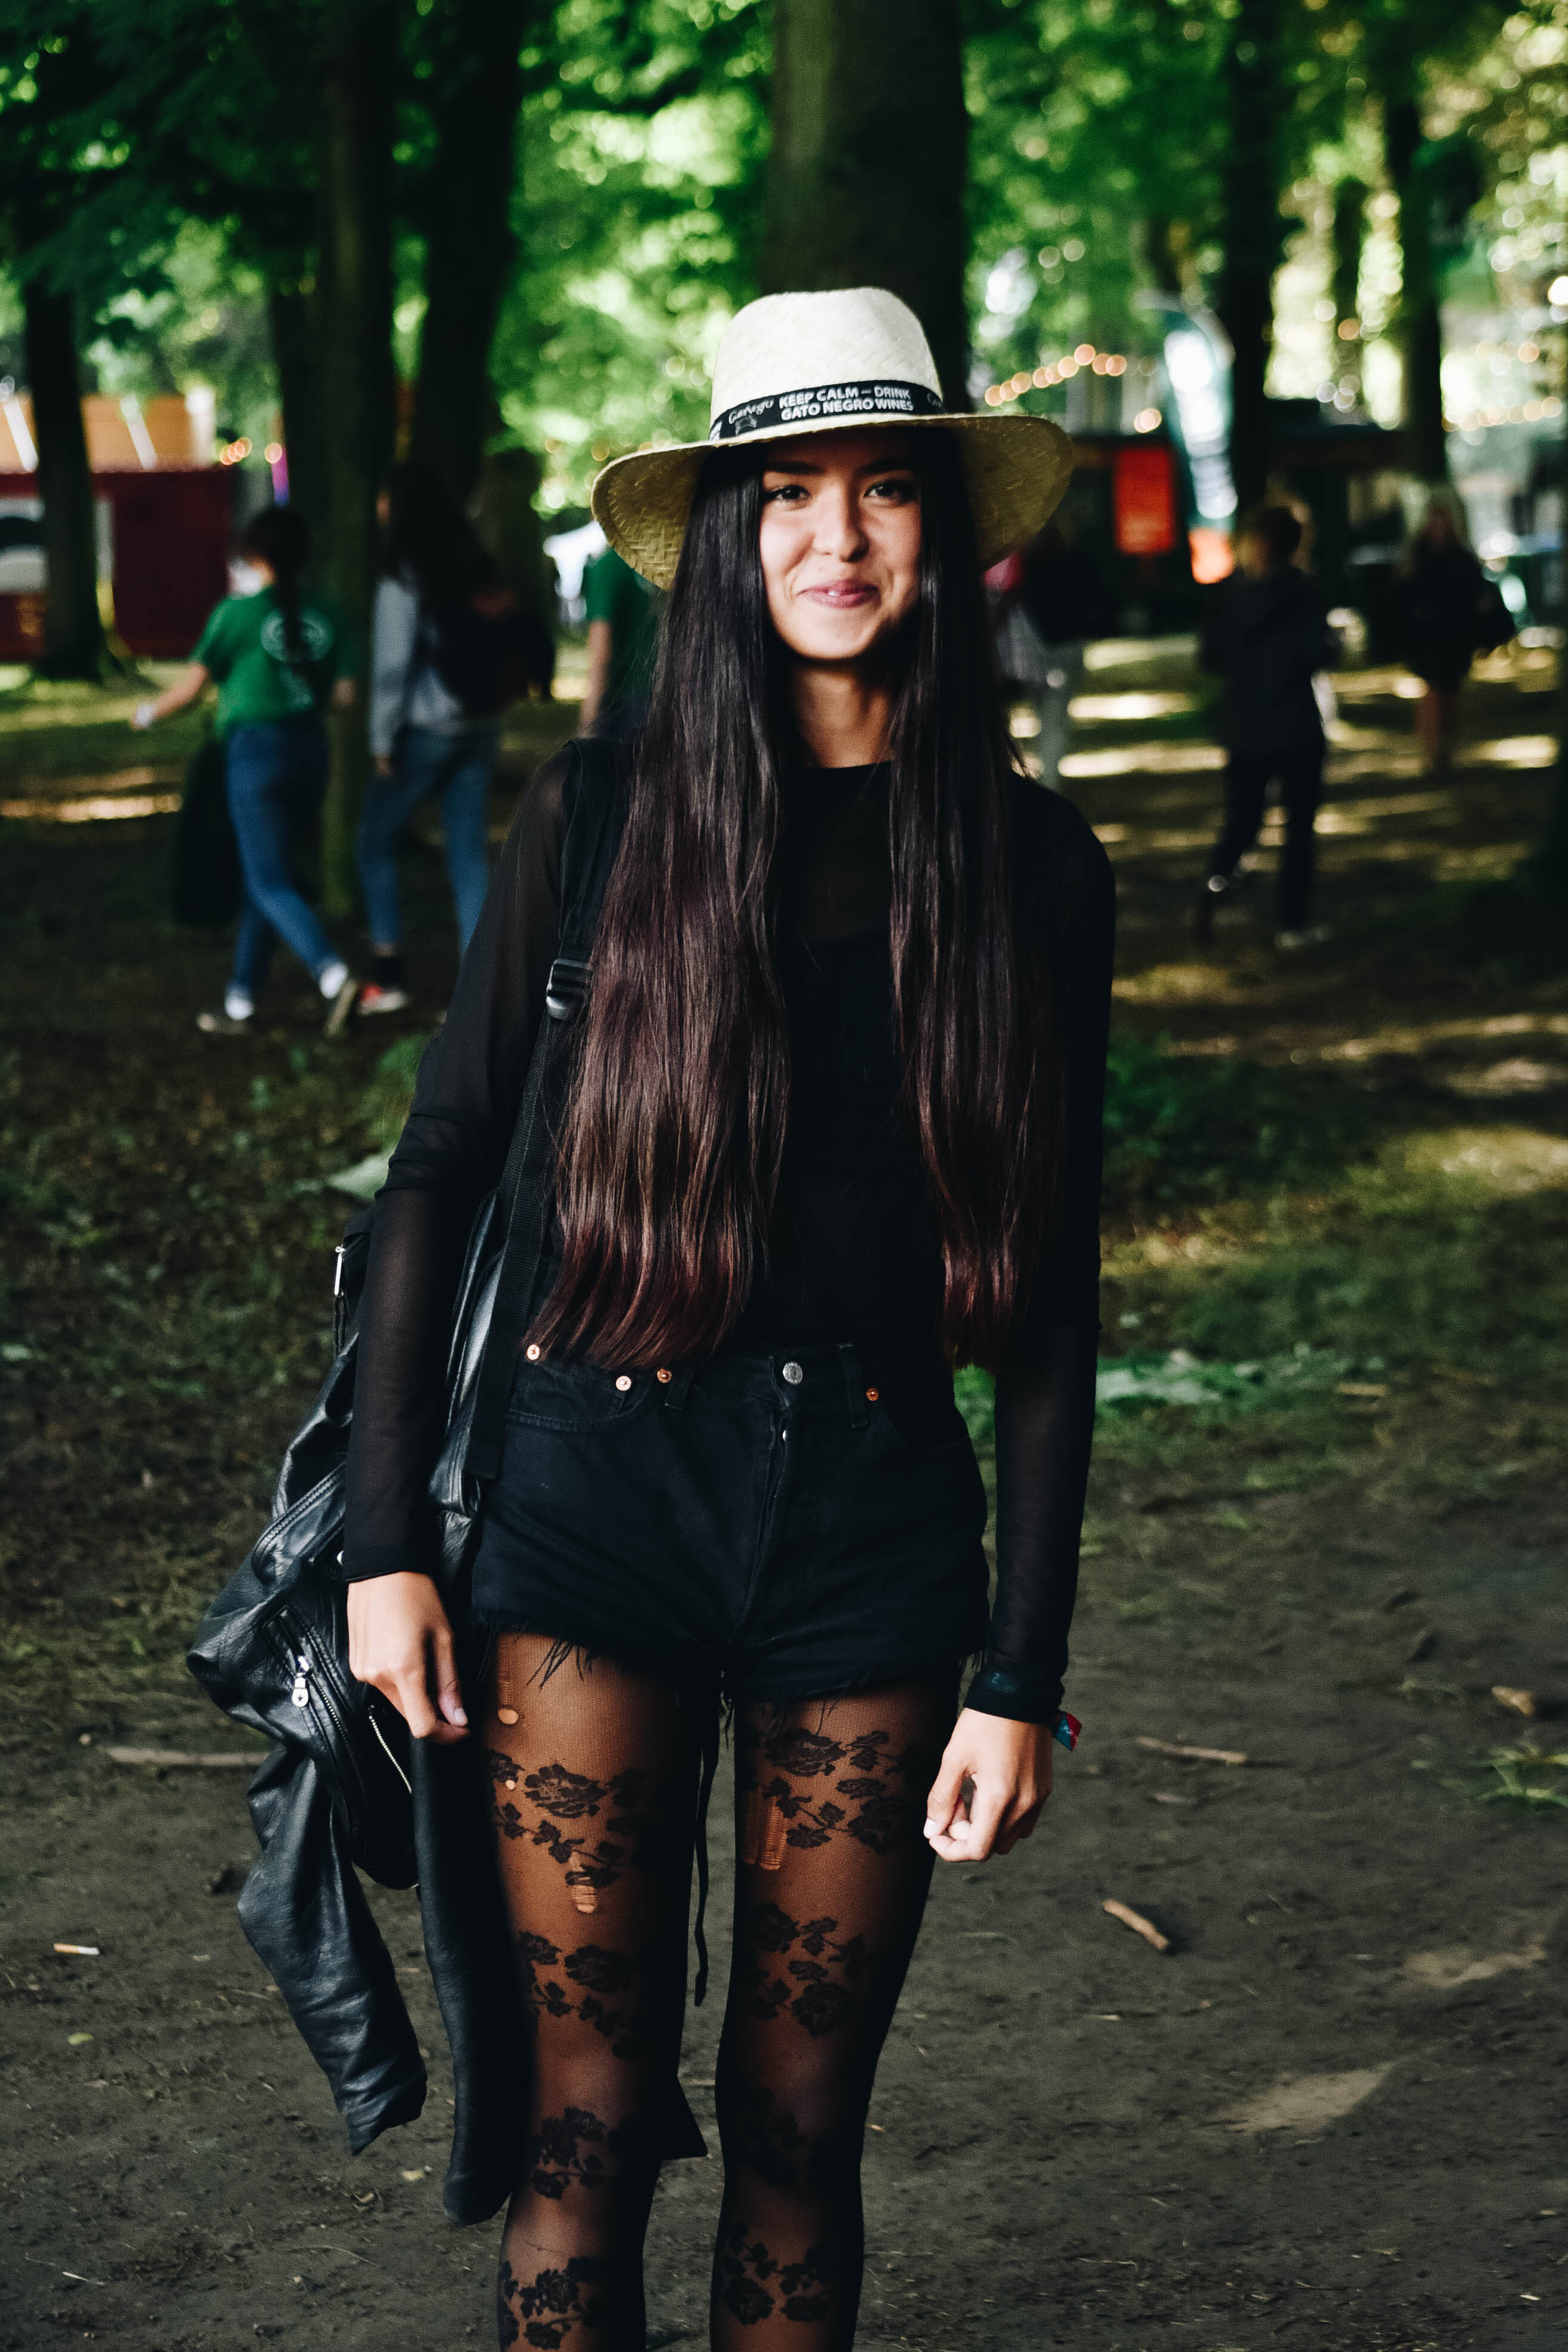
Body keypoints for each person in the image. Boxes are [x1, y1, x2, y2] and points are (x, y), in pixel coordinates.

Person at [340, 286, 1109, 2351]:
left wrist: (1020, 1664)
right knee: (580, 2133)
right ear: (729, 537)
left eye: (879, 491)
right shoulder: (594, 828)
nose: (834, 536)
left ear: (943, 534)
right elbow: (434, 1172)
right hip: (587, 1507)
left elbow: (1046, 1295)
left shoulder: (1034, 867)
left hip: (870, 1536)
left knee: (797, 2131)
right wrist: (385, 1546)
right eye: (786, 493)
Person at [133, 504, 359, 1034]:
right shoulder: (330, 613)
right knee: (269, 873)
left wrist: (145, 714)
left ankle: (333, 974)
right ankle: (239, 1003)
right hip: (310, 753)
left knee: (267, 877)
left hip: (255, 754)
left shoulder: (236, 614)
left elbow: (189, 691)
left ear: (255, 555)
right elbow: (346, 698)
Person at [357, 464, 516, 1015]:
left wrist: (380, 738)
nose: (378, 506)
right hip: (481, 725)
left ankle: (390, 977)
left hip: (427, 729)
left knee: (373, 842)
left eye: (383, 498)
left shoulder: (404, 570)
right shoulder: (475, 562)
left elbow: (393, 665)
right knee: (469, 857)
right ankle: (476, 999)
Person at [1193, 503, 1339, 950]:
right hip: (1295, 724)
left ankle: (1210, 900)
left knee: (1242, 822)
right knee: (1298, 829)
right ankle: (1290, 922)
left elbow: (1210, 657)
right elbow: (1319, 651)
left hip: (1246, 724)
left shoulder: (1230, 596)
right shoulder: (1303, 593)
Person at [989, 518, 1110, 789]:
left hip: (1036, 652)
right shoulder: (1074, 562)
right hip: (1060, 649)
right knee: (1053, 720)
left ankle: (1030, 782)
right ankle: (1046, 783)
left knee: (1030, 717)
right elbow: (1098, 602)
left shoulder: (1027, 566)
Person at [1397, 491, 1500, 776]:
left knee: (1451, 695)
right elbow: (1403, 596)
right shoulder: (1418, 557)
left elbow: (1476, 593)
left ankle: (1445, 753)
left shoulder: (1461, 559)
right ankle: (1431, 753)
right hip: (1429, 637)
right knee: (1433, 693)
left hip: (1455, 636)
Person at [578, 540, 660, 739]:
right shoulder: (665, 565)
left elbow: (601, 653)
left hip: (626, 702)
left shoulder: (607, 566)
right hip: (675, 694)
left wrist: (587, 723)